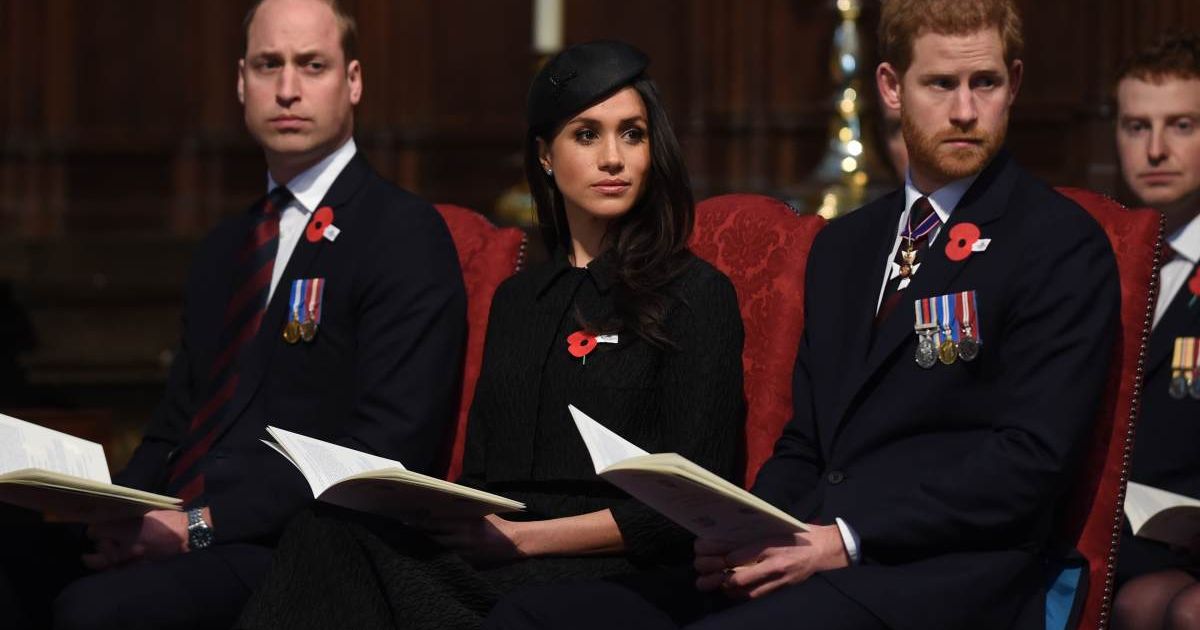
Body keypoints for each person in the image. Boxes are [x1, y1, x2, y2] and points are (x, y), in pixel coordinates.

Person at [486, 1, 1120, 628]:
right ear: (891, 88)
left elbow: (1029, 462)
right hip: (810, 554)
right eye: (940, 84)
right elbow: (806, 443)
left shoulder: (1059, 243)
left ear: (1015, 82)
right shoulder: (847, 246)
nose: (963, 110)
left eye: (985, 83)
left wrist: (843, 539)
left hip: (945, 576)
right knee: (534, 615)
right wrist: (747, 528)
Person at [234, 40, 746, 630]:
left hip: (620, 568)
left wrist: (526, 540)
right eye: (587, 135)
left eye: (632, 134)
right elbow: (481, 478)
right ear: (546, 157)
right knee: (327, 531)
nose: (613, 157)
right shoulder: (518, 300)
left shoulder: (696, 293)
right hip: (498, 554)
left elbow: (696, 504)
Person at [0, 0, 467, 627]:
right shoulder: (227, 246)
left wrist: (195, 526)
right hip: (176, 523)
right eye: (268, 64)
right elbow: (175, 428)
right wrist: (111, 511)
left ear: (352, 81)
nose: (288, 88)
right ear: (240, 81)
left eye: (313, 65)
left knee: (96, 612)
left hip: (295, 544)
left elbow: (385, 450)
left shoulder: (402, 233)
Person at [1109, 32, 1200, 630]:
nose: (1157, 149)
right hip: (1109, 536)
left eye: (1183, 125)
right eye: (1137, 127)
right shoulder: (1096, 258)